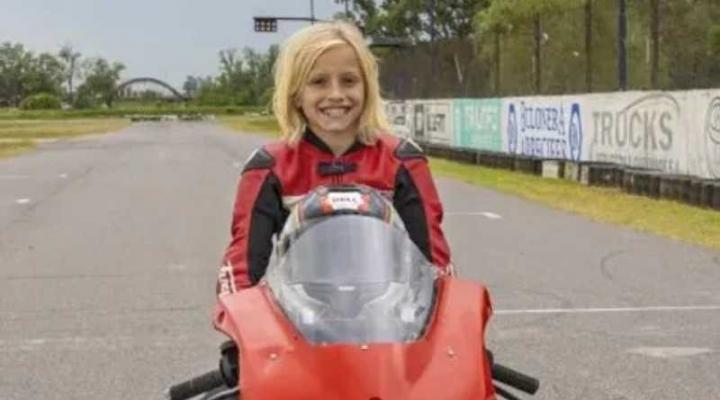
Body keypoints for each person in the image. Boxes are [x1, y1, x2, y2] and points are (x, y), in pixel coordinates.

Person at [217, 21, 452, 296]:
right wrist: (240, 315)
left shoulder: (404, 161)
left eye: (349, 81)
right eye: (319, 82)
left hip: (390, 313)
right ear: (296, 94)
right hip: (298, 312)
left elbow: (435, 266)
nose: (336, 95)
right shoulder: (267, 167)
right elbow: (242, 270)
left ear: (367, 88)